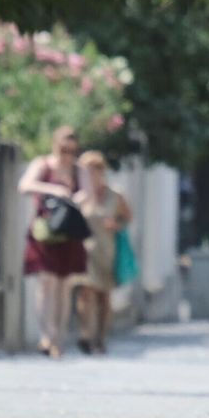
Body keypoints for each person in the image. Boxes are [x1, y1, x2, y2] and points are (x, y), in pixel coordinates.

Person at [19, 125, 88, 357]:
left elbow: (87, 193)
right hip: (46, 231)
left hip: (68, 231)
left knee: (64, 286)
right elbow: (25, 185)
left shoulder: (79, 170)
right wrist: (54, 190)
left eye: (72, 151)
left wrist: (73, 199)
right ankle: (46, 336)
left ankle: (59, 337)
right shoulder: (42, 164)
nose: (67, 155)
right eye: (63, 150)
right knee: (45, 282)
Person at [73, 150, 133, 354]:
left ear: (101, 171)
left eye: (93, 171)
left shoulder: (115, 195)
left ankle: (101, 338)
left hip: (107, 249)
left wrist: (116, 224)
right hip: (84, 250)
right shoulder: (81, 195)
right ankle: (85, 334)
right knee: (86, 292)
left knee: (104, 296)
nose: (90, 175)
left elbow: (127, 218)